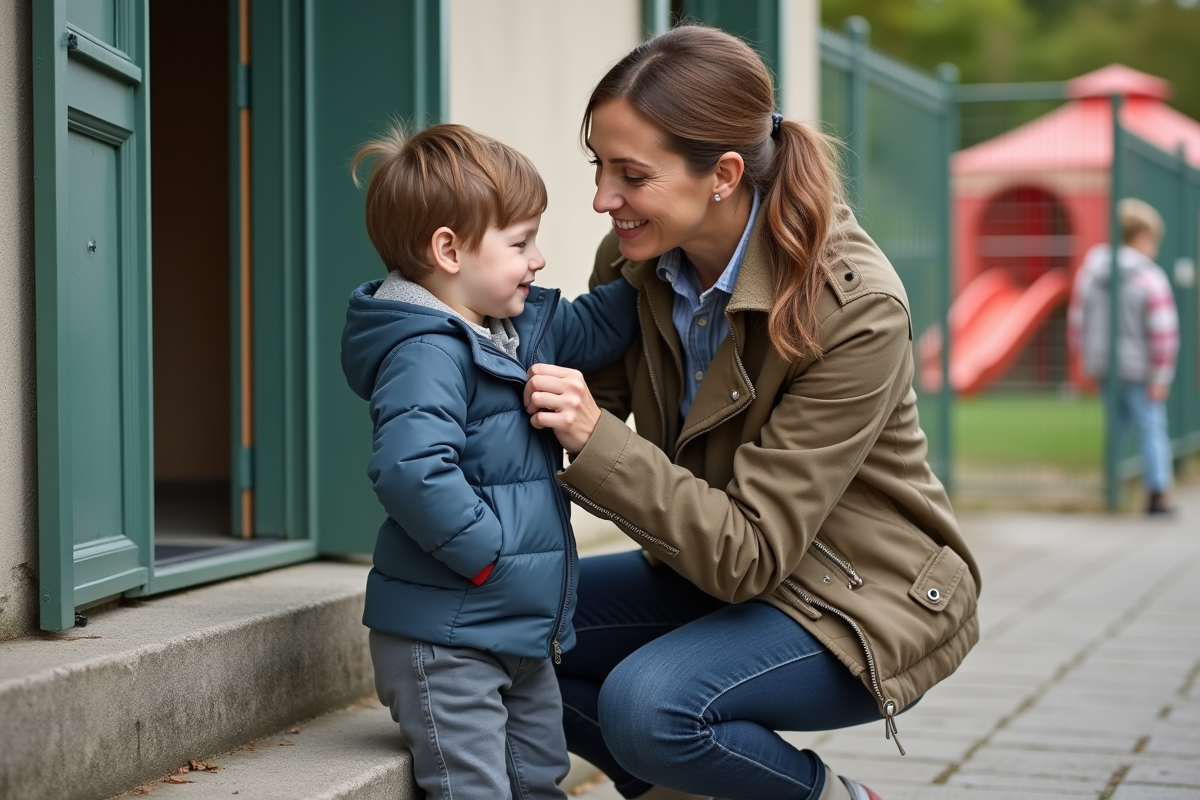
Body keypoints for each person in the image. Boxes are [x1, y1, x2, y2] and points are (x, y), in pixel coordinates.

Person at [521, 25, 982, 800]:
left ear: (724, 174)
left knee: (651, 707)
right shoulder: (637, 257)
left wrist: (593, 439)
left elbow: (751, 553)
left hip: (855, 597)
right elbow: (575, 398)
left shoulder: (853, 307)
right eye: (599, 167)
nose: (604, 199)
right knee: (507, 629)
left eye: (631, 175)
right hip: (705, 568)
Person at [340, 123, 638, 800]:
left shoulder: (506, 326)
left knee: (539, 776)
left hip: (515, 629)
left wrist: (652, 262)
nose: (537, 260)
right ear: (448, 250)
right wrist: (487, 554)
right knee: (476, 787)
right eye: (520, 242)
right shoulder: (426, 350)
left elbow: (594, 325)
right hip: (447, 639)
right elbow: (411, 469)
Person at [1070, 198, 1180, 514]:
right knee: (1151, 427)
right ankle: (1157, 493)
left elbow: (1078, 320)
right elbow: (1163, 332)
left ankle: (1111, 487)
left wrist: (1085, 359)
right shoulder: (1150, 278)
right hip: (1140, 368)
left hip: (1105, 364)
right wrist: (1161, 376)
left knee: (1115, 425)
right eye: (1154, 241)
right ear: (1142, 237)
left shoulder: (1092, 272)